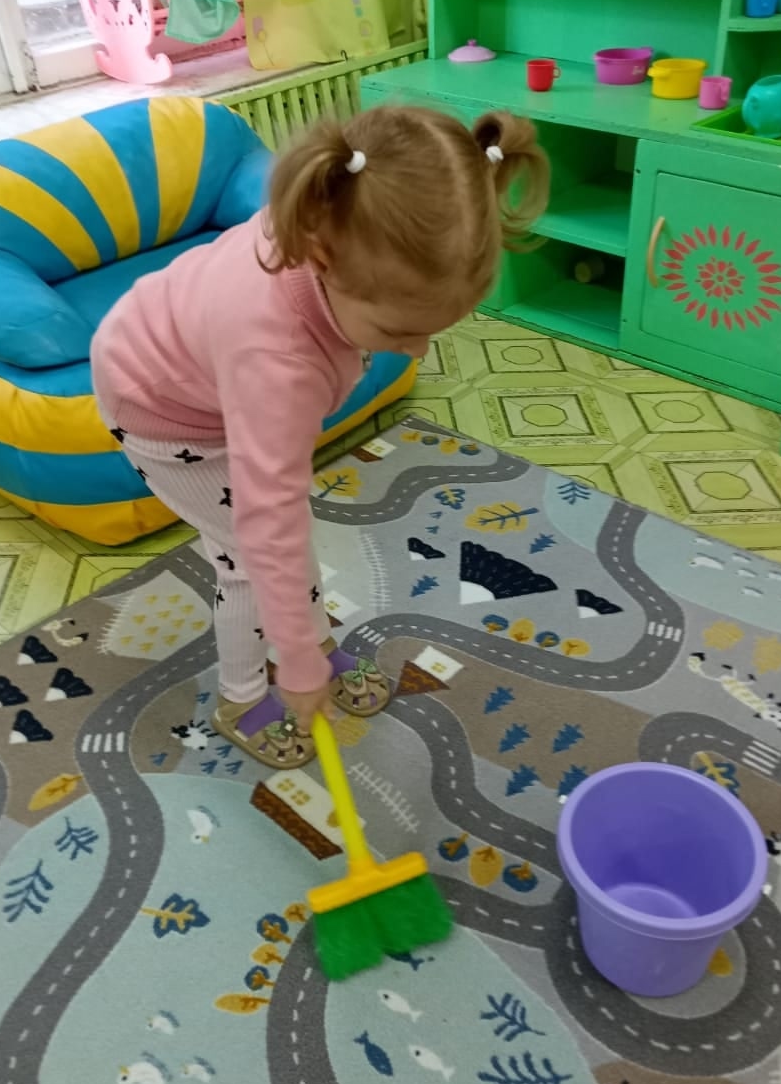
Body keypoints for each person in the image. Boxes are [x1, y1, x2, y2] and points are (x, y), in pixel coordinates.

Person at [91, 104, 550, 769]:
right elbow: (266, 522)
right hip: (159, 404)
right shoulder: (277, 361)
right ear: (322, 258)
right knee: (248, 561)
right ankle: (243, 697)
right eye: (398, 332)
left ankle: (305, 639)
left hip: (210, 371)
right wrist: (301, 668)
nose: (417, 352)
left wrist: (303, 645)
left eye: (431, 331)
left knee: (287, 535)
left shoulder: (332, 209)